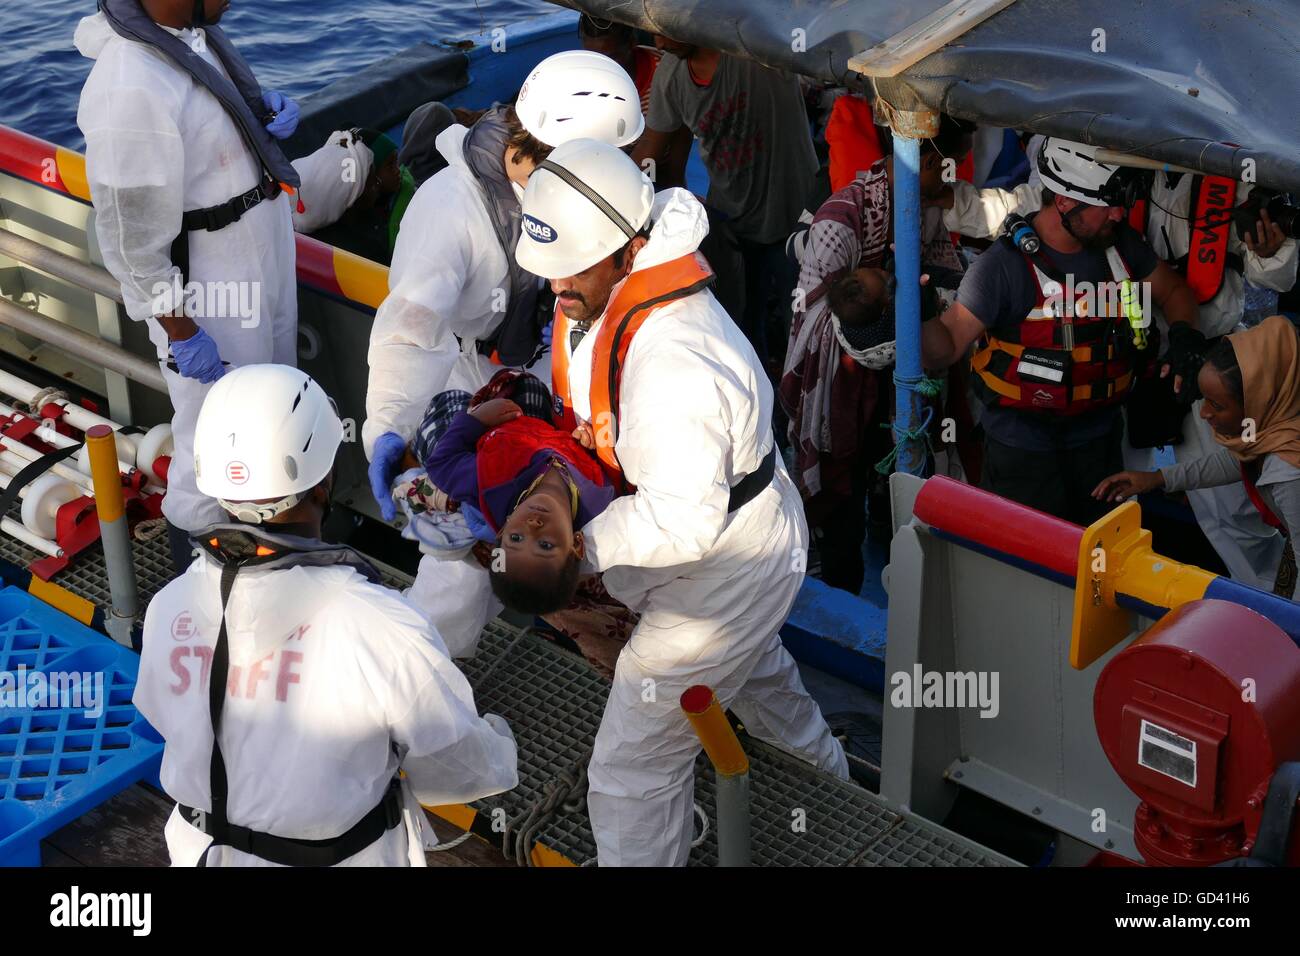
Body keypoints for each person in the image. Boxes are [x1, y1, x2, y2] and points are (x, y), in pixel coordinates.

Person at [517, 138, 849, 867]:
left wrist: (572, 551)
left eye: (570, 270)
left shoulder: (673, 365)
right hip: (740, 543)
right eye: (549, 272)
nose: (556, 288)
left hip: (722, 567)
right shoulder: (610, 292)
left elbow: (681, 518)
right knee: (761, 683)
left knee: (633, 768)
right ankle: (836, 802)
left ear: (625, 251)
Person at [134, 365, 519, 866]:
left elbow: (162, 712)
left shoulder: (171, 605)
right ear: (324, 483)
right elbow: (461, 768)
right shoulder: (380, 626)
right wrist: (499, 744)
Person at [363, 50, 645, 654]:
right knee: (460, 576)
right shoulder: (449, 210)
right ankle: (408, 687)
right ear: (561, 155)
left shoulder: (564, 195)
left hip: (551, 370)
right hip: (475, 379)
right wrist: (389, 428)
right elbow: (411, 331)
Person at [76, 0, 302, 570]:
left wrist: (261, 116)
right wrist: (180, 331)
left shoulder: (194, 37)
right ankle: (199, 583)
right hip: (211, 282)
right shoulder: (131, 81)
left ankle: (264, 563)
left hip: (259, 249)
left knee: (270, 413)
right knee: (212, 439)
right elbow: (130, 235)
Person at [921, 138, 1203, 525]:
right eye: (1110, 204)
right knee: (1026, 567)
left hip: (1102, 449)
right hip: (1022, 455)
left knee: (1098, 566)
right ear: (1066, 202)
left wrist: (1186, 334)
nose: (1120, 215)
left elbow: (1174, 291)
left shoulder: (1122, 248)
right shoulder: (1000, 268)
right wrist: (918, 313)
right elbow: (945, 348)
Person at [781, 117, 972, 594]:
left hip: (895, 386)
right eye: (952, 169)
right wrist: (886, 312)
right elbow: (809, 325)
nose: (957, 181)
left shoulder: (926, 207)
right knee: (840, 486)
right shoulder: (839, 220)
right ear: (927, 162)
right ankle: (842, 581)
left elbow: (945, 268)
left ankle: (901, 570)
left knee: (897, 472)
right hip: (841, 384)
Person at [1118, 168, 1299, 590]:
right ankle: (1129, 594)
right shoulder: (1113, 162)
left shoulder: (1236, 178)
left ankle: (1272, 606)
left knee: (1231, 515)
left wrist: (1271, 252)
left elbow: (1276, 280)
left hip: (1211, 365)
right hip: (1129, 362)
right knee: (1122, 494)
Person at [632, 35, 817, 367]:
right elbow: (652, 149)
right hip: (732, 221)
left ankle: (799, 404)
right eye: (653, 30)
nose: (658, 42)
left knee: (803, 326)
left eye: (665, 29)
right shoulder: (671, 75)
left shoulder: (756, 48)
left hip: (796, 216)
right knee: (741, 329)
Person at [1095, 315, 1300, 596]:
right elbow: (1237, 459)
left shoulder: (1289, 471)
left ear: (1257, 400)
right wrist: (1157, 478)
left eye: (1216, 404)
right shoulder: (1269, 425)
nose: (1203, 414)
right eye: (1203, 400)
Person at [417, 370, 616, 613]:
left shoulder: (491, 481)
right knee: (533, 386)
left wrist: (476, 420)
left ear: (502, 530)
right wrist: (588, 443)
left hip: (498, 433)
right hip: (542, 433)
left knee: (444, 417)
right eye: (545, 545)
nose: (532, 525)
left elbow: (441, 465)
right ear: (576, 543)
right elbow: (602, 455)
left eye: (516, 538)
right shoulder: (601, 496)